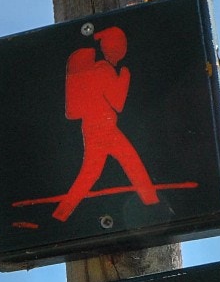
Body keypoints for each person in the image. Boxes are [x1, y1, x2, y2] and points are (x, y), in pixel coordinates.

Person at [53, 25, 160, 222]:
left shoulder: (99, 68)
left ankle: (61, 214)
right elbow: (118, 103)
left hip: (95, 126)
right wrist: (125, 77)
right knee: (129, 161)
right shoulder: (104, 69)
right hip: (102, 127)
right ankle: (153, 203)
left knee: (92, 172)